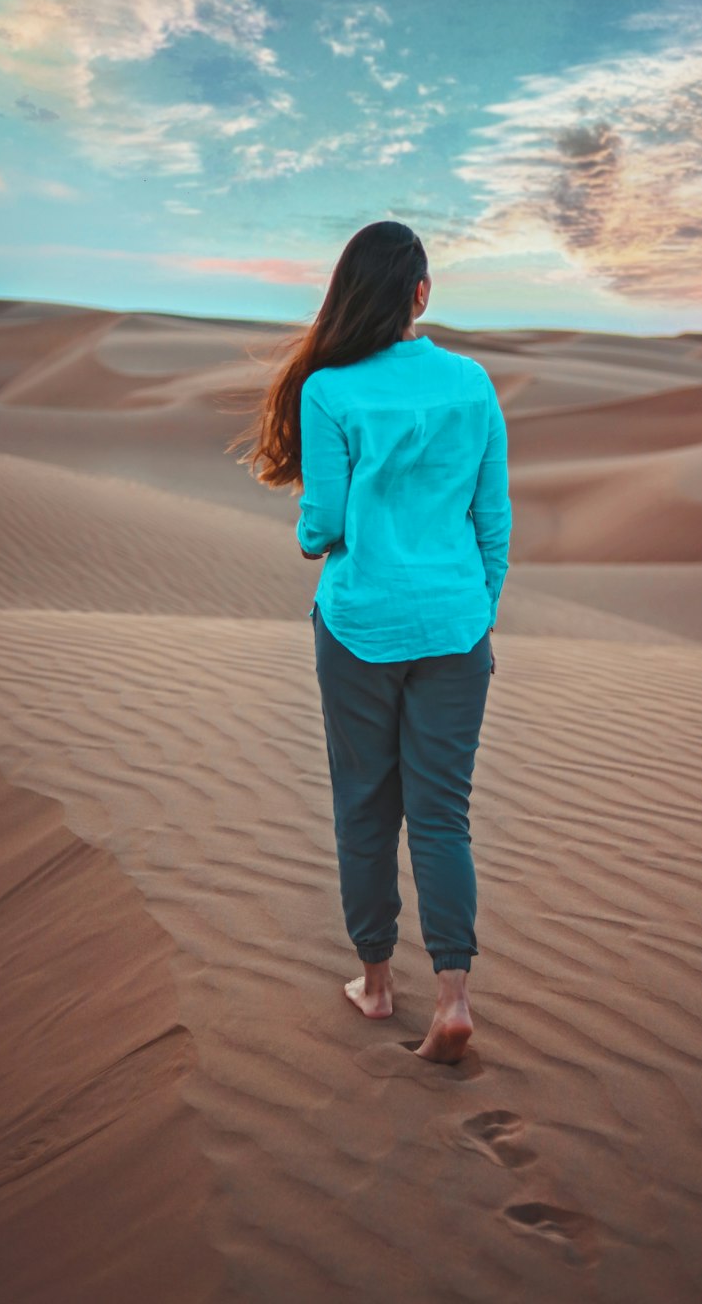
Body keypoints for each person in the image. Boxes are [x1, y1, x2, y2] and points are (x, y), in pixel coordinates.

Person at [226, 220, 512, 1064]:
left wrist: (323, 533)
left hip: (359, 628)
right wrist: (472, 607)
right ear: (421, 293)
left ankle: (380, 986)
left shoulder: (328, 390)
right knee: (442, 815)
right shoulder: (472, 383)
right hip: (457, 630)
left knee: (364, 806)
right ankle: (454, 996)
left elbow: (319, 530)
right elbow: (492, 521)